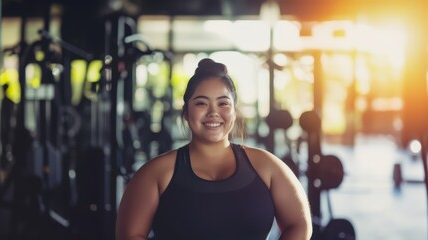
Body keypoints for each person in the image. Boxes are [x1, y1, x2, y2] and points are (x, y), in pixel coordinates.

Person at [116, 58, 312, 240]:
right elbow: (130, 235)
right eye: (201, 103)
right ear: (186, 112)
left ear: (234, 112)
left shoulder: (267, 166)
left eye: (223, 103)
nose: (213, 113)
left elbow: (299, 224)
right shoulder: (155, 173)